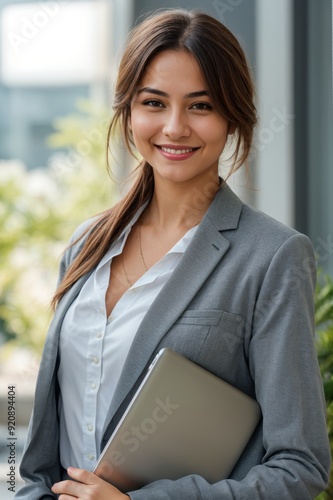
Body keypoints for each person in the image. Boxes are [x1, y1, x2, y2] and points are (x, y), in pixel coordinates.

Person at [16, 8, 330, 500]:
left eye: (200, 106)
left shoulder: (272, 257)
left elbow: (299, 466)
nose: (175, 127)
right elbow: (43, 458)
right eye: (154, 103)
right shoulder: (87, 244)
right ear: (129, 112)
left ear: (233, 117)